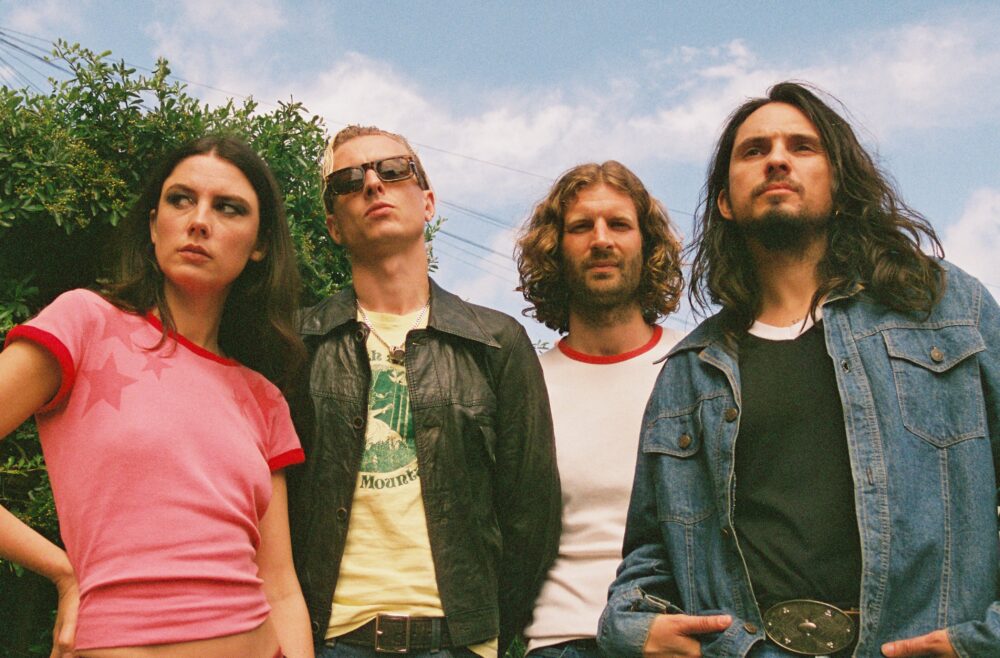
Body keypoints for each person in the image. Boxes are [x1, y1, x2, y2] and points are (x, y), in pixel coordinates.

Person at [598, 81, 1000, 658]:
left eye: (802, 146)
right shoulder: (689, 373)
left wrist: (985, 639)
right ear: (725, 202)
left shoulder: (943, 306)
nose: (777, 159)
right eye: (754, 150)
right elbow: (651, 551)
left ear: (838, 184)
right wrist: (633, 626)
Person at [0, 135, 313, 658]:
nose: (199, 221)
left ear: (260, 244)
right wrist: (63, 571)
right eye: (181, 199)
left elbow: (280, 586)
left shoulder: (263, 398)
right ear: (153, 225)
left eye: (229, 208)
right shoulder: (86, 323)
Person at [287, 125, 561, 658]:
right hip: (328, 640)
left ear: (428, 202)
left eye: (393, 170)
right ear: (333, 226)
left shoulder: (496, 342)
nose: (373, 184)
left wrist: (485, 636)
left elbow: (532, 515)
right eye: (348, 180)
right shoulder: (298, 345)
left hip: (457, 642)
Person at [514, 161, 685, 658]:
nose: (601, 240)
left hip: (680, 633)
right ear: (555, 248)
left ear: (647, 246)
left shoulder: (699, 366)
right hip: (562, 638)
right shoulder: (527, 384)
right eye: (581, 226)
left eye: (619, 224)